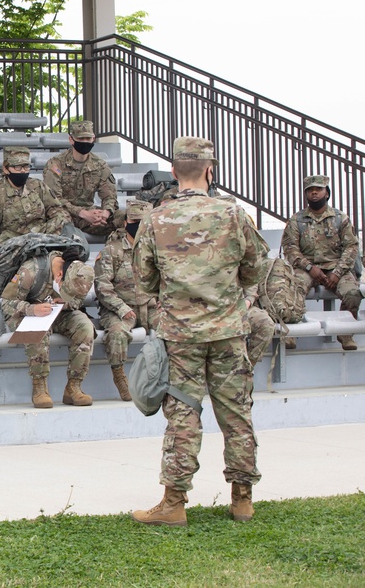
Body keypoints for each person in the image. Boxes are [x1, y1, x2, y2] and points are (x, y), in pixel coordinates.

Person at [132, 136, 268, 526]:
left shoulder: (156, 218)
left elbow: (144, 280)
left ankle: (173, 504)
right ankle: (242, 500)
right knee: (236, 413)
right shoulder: (234, 214)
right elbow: (256, 270)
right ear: (211, 170)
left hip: (180, 334)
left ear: (174, 172)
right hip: (228, 330)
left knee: (183, 416)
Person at [0, 248, 97, 408]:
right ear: (59, 276)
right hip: (26, 312)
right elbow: (7, 304)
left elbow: (76, 302)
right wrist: (32, 309)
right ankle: (39, 388)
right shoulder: (30, 271)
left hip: (57, 311)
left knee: (85, 327)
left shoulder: (77, 273)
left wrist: (65, 303)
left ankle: (73, 387)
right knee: (38, 330)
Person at [281, 175, 362, 351]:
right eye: (310, 190)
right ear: (306, 194)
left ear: (327, 193)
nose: (314, 192)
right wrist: (310, 268)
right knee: (293, 288)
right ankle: (292, 332)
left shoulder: (340, 218)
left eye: (318, 189)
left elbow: (351, 247)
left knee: (353, 293)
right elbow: (290, 249)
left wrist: (338, 272)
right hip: (307, 268)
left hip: (336, 268)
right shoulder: (297, 220)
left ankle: (345, 333)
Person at [93, 199, 157, 401]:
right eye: (134, 220)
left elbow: (168, 279)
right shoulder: (112, 251)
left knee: (176, 328)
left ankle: (171, 377)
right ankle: (120, 376)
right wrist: (121, 308)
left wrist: (164, 299)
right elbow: (102, 286)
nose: (138, 225)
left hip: (151, 307)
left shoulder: (155, 249)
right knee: (117, 334)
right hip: (120, 309)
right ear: (126, 221)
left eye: (143, 221)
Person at [0, 146, 68, 259]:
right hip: (14, 245)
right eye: (18, 167)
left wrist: (50, 229)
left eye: (26, 166)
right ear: (6, 169)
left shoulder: (37, 186)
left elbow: (56, 210)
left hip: (42, 239)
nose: (23, 171)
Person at [43, 120, 120, 238]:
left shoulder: (99, 165)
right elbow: (54, 200)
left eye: (88, 139)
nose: (85, 142)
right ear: (71, 140)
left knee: (128, 217)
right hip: (65, 214)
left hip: (90, 216)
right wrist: (82, 213)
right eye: (81, 139)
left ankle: (118, 252)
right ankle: (68, 252)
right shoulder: (56, 165)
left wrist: (105, 212)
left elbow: (110, 196)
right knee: (59, 219)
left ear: (93, 138)